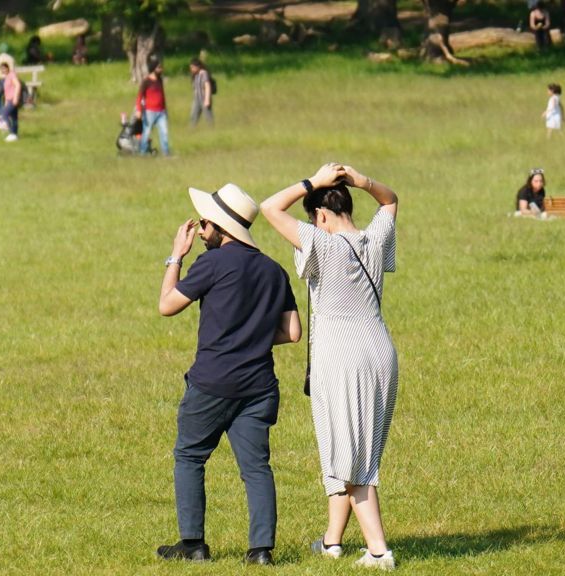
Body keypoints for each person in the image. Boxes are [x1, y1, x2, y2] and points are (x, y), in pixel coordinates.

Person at [259, 163, 399, 571]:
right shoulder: (373, 238)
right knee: (350, 452)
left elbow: (269, 207)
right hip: (380, 352)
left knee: (353, 460)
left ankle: (378, 551)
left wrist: (311, 183)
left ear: (319, 215)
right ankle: (331, 543)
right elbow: (390, 200)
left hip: (341, 358)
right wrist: (362, 181)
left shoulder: (322, 243)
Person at [156, 184, 301, 566]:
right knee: (256, 467)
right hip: (259, 387)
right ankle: (261, 551)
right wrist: (251, 335)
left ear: (222, 228)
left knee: (189, 455)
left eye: (205, 223)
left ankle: (193, 545)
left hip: (212, 383)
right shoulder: (273, 270)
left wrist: (176, 256)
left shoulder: (212, 264)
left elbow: (167, 305)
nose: (201, 230)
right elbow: (293, 332)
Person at [135, 58, 170, 156]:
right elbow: (140, 96)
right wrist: (139, 110)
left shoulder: (160, 80)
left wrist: (165, 109)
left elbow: (162, 95)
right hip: (149, 112)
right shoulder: (146, 81)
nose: (161, 69)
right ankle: (142, 152)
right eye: (159, 67)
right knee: (146, 133)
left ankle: (166, 153)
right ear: (153, 68)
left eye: (161, 67)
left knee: (164, 132)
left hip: (161, 112)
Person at [0, 44, 16, 131]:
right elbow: (13, 71)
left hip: (1, 81)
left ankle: (2, 116)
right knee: (7, 100)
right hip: (10, 81)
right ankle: (6, 117)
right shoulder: (11, 59)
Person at [0, 62, 21, 142]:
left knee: (5, 114)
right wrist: (6, 101)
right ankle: (15, 134)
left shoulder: (12, 75)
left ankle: (11, 132)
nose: (3, 70)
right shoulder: (6, 78)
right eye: (2, 69)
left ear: (8, 68)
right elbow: (6, 91)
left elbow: (18, 85)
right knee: (14, 117)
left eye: (4, 68)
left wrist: (16, 97)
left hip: (13, 99)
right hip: (9, 99)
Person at [189, 58, 213, 127]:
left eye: (193, 67)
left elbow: (207, 86)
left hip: (204, 98)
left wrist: (207, 100)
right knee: (193, 115)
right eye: (191, 67)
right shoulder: (195, 74)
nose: (191, 69)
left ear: (198, 67)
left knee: (208, 117)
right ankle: (191, 131)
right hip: (197, 98)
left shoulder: (204, 73)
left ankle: (212, 130)